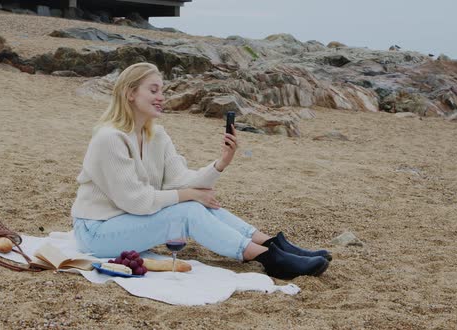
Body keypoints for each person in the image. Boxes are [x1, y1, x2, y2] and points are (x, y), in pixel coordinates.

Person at [71, 62, 331, 280]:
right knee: (189, 209)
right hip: (96, 233)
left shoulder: (156, 136)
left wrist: (221, 162)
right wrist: (189, 195)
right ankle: (265, 257)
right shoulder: (109, 139)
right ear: (130, 93)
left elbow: (183, 181)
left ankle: (269, 243)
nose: (161, 96)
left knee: (201, 203)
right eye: (153, 90)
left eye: (162, 90)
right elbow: (137, 201)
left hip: (127, 222)